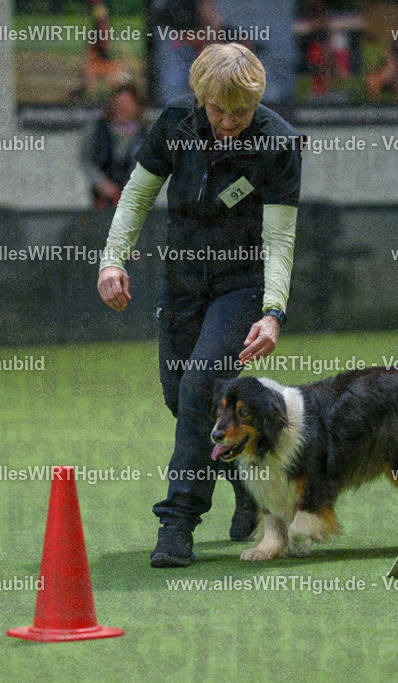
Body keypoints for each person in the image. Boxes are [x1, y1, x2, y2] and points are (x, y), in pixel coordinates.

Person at [97, 43, 302, 567]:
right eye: (218, 110)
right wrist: (112, 261)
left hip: (242, 286)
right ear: (200, 98)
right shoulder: (174, 123)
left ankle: (177, 523)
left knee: (198, 386)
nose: (229, 121)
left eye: (241, 111)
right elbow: (137, 195)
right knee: (181, 396)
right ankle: (241, 479)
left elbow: (279, 238)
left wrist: (273, 311)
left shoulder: (277, 143)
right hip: (182, 282)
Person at [81, 85, 149, 209]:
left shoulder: (147, 134)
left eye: (127, 104)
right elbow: (87, 160)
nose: (122, 108)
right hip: (103, 199)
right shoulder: (97, 130)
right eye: (118, 104)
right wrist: (101, 183)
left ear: (136, 107)